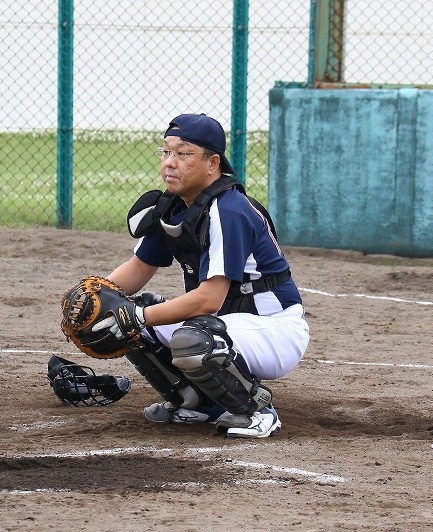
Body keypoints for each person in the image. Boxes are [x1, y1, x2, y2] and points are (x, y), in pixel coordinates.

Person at [100, 113, 309, 438]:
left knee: (189, 337)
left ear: (213, 163)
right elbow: (138, 268)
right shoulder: (173, 207)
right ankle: (198, 402)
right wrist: (98, 295)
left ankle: (257, 411)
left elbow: (209, 300)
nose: (170, 163)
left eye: (183, 154)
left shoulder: (229, 210)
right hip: (226, 324)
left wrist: (138, 316)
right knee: (124, 319)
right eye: (166, 152)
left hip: (274, 330)